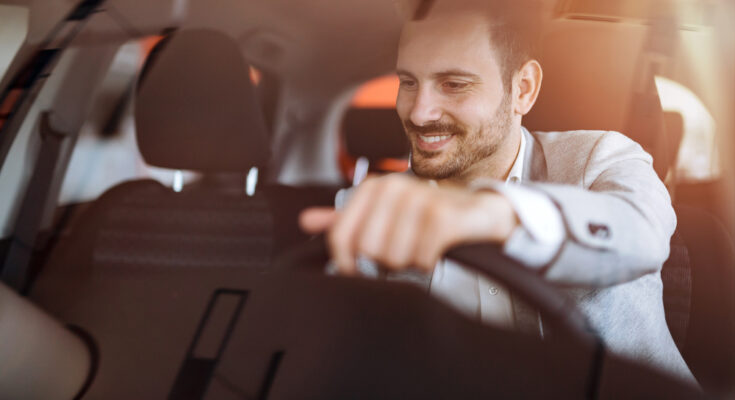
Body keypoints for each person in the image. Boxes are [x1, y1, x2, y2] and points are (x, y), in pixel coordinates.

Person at [300, 0, 695, 383]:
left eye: (454, 85)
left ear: (523, 88)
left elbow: (641, 231)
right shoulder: (371, 207)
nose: (419, 113)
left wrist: (489, 214)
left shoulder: (600, 159)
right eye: (408, 82)